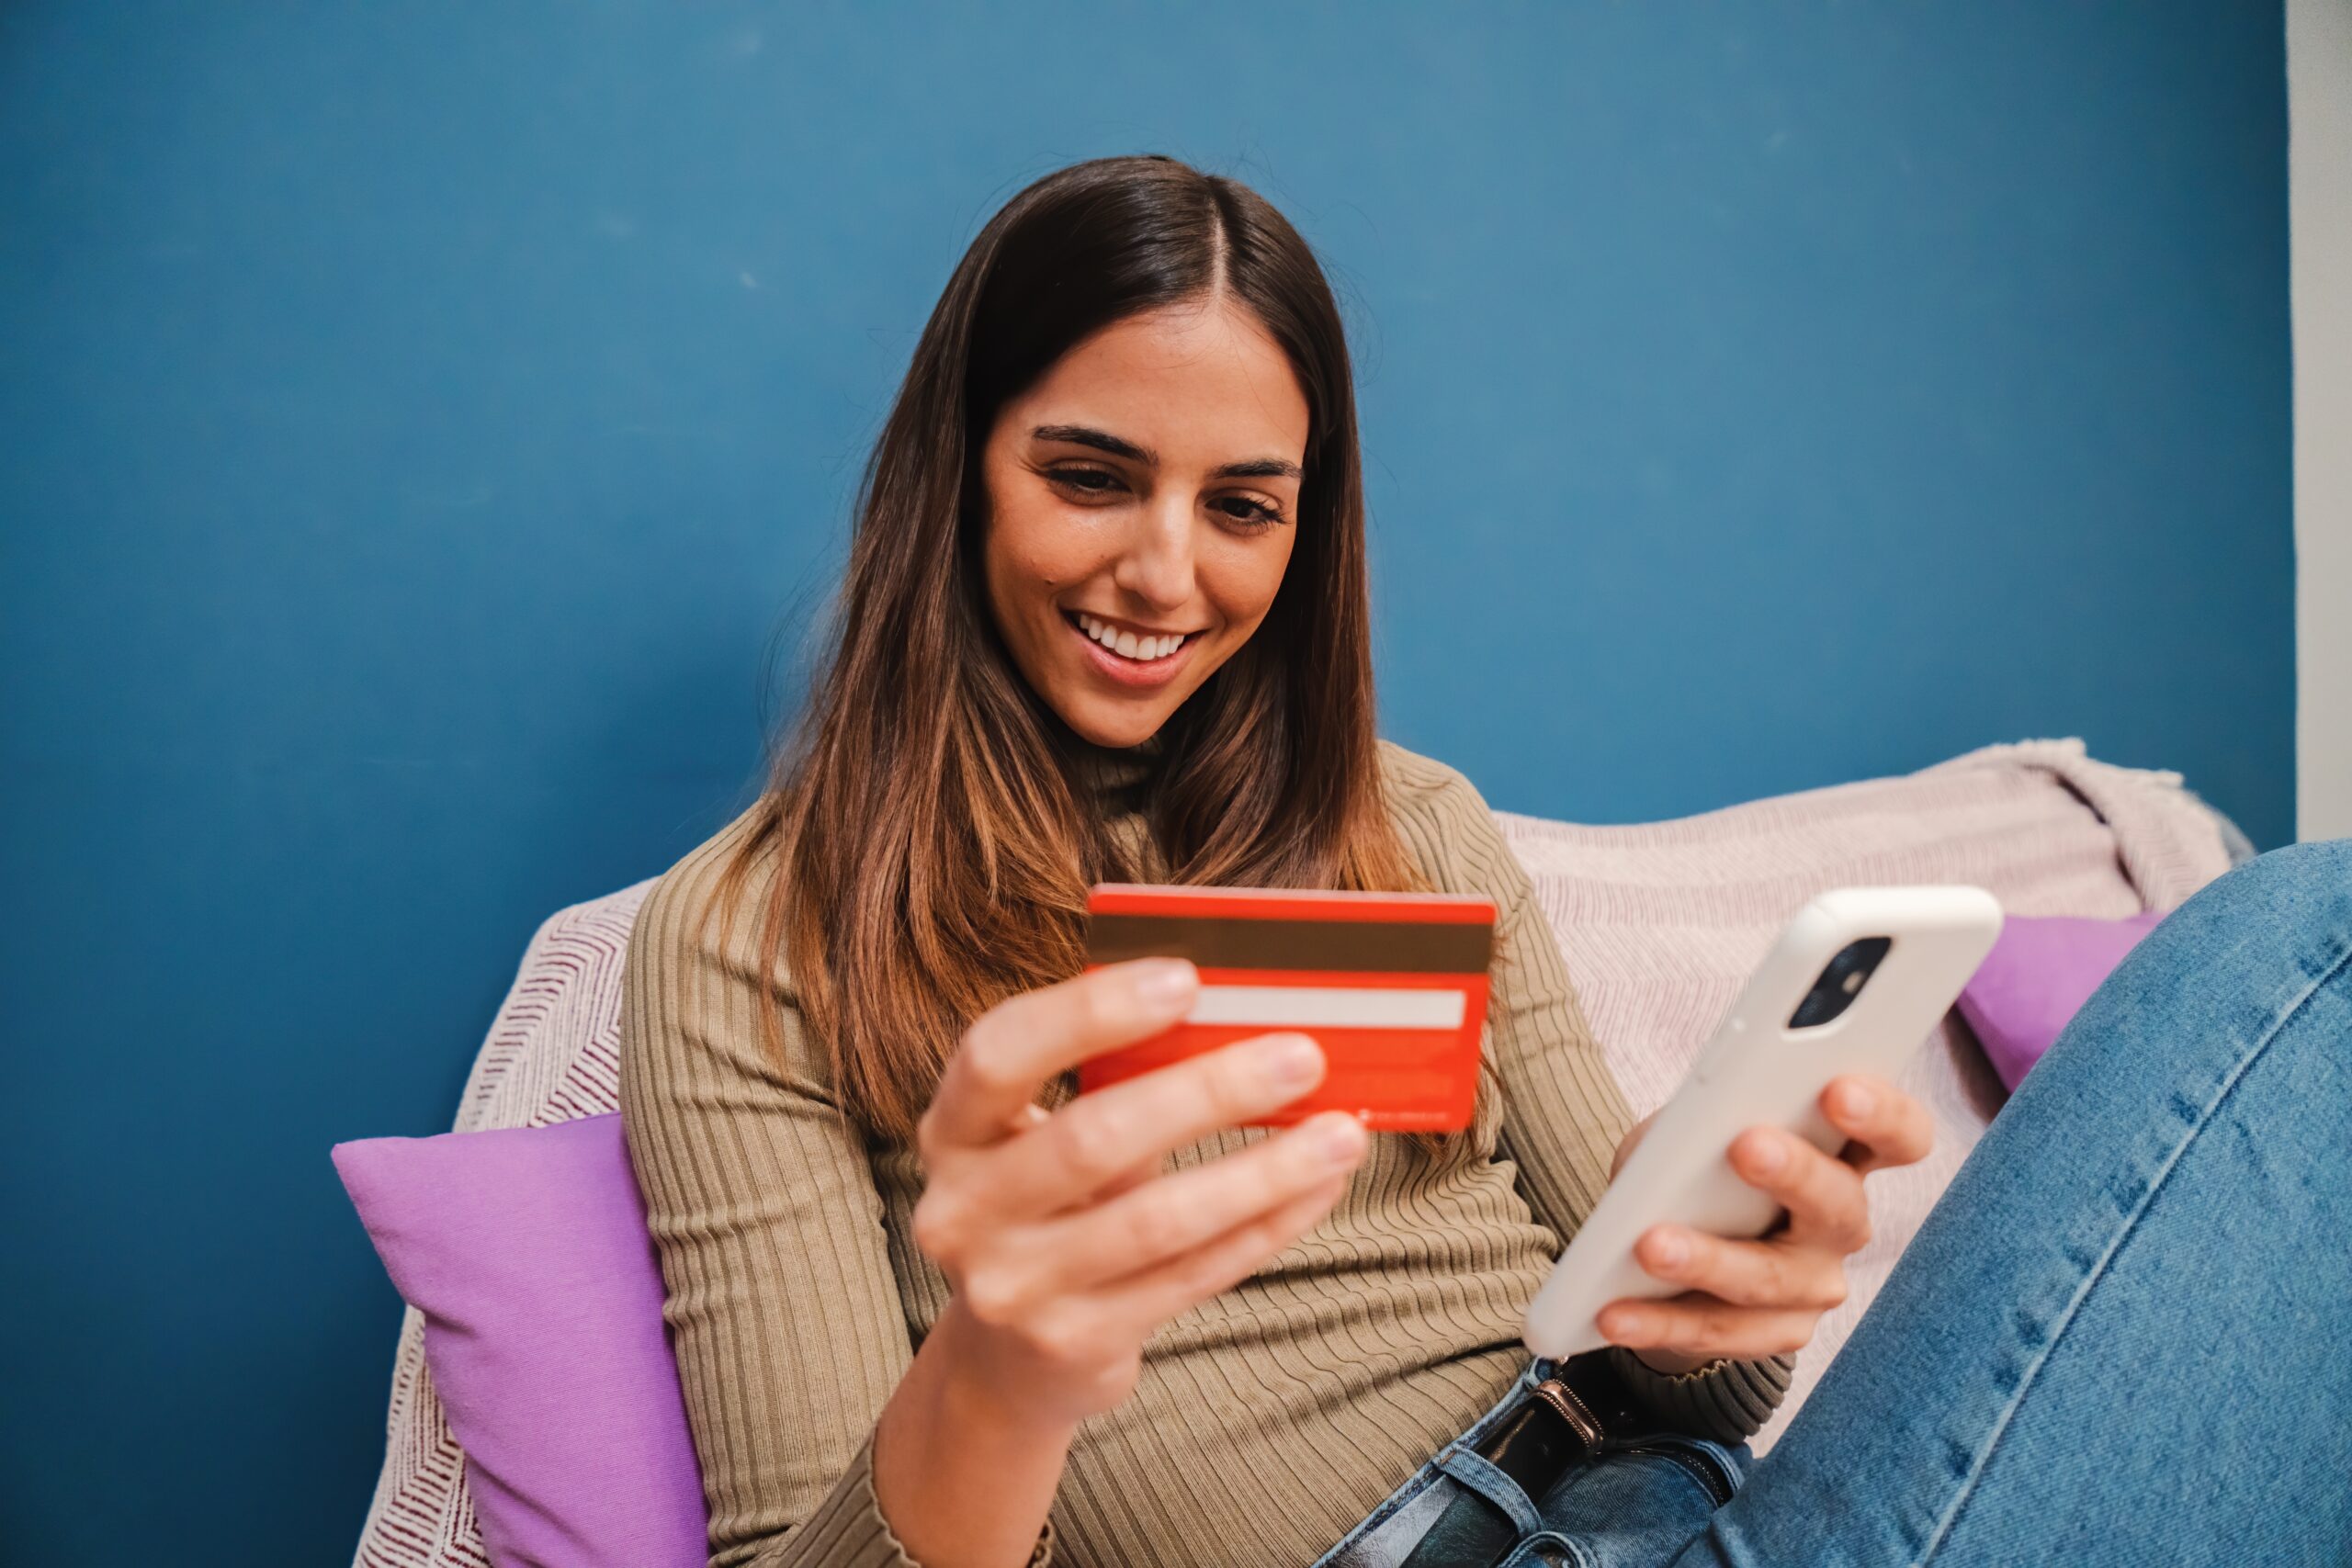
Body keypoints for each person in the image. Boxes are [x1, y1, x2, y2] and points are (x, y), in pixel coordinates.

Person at [618, 155, 2352, 1568]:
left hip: (1682, 1521)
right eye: (1089, 476)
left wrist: (1740, 1266)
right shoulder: (750, 938)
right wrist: (997, 1379)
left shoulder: (1407, 821)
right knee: (2305, 937)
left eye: (1243, 507)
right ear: (959, 474)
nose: (1164, 573)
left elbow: (1695, 1374)